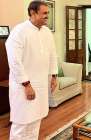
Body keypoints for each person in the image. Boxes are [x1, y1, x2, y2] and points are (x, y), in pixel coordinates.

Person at [5, 1, 58, 139]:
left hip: (41, 84)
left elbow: (53, 54)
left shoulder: (47, 32)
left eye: (48, 13)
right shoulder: (19, 31)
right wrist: (26, 85)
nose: (47, 16)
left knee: (36, 121)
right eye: (44, 13)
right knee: (21, 123)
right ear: (32, 13)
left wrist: (54, 76)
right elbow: (14, 61)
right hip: (23, 86)